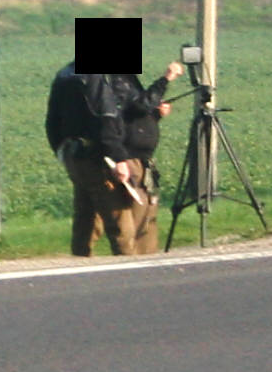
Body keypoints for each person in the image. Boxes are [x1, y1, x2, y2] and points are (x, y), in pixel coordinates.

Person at [46, 60, 183, 256]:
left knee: (87, 216)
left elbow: (52, 120)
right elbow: (109, 116)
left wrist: (62, 151)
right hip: (101, 157)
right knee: (123, 222)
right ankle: (130, 270)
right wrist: (118, 158)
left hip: (76, 154)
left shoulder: (65, 73)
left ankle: (79, 264)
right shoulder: (100, 77)